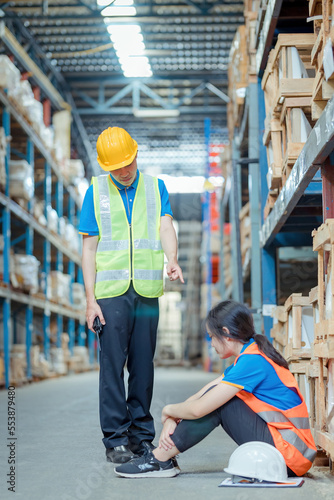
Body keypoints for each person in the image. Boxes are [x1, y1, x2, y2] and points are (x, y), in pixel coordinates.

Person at [114, 300, 317, 478]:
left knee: (221, 403)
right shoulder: (248, 356)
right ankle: (163, 457)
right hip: (288, 451)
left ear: (226, 334)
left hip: (290, 456)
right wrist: (171, 418)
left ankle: (159, 459)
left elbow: (199, 409)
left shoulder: (253, 361)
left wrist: (168, 409)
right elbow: (203, 393)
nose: (211, 344)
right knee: (217, 397)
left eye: (212, 337)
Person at [79, 126, 184, 464]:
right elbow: (88, 248)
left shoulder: (156, 187)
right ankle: (115, 439)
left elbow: (166, 225)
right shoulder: (95, 191)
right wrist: (89, 299)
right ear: (105, 167)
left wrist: (173, 259)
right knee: (112, 366)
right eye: (115, 168)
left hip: (147, 291)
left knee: (143, 365)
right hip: (110, 294)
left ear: (136, 155)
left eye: (127, 164)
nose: (123, 172)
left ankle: (141, 437)